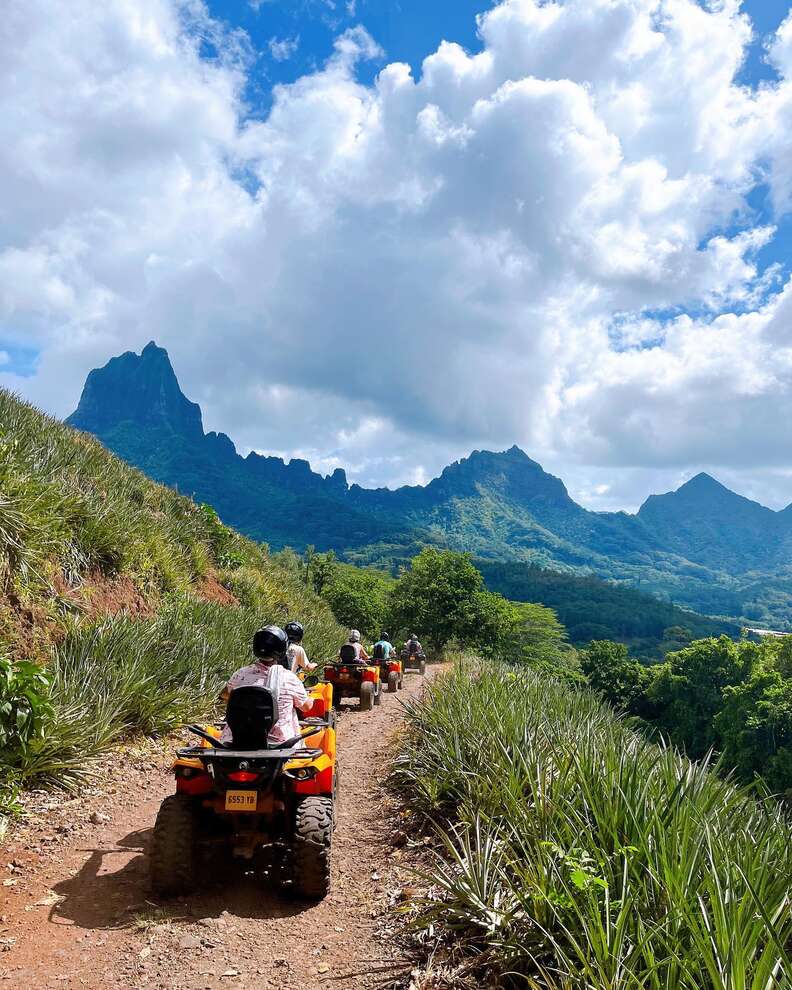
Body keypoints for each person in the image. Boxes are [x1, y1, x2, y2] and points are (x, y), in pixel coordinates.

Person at [221, 625, 313, 746]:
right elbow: (306, 707)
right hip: (279, 744)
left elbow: (225, 696)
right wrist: (310, 698)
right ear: (282, 649)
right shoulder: (289, 678)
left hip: (236, 741)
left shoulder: (240, 674)